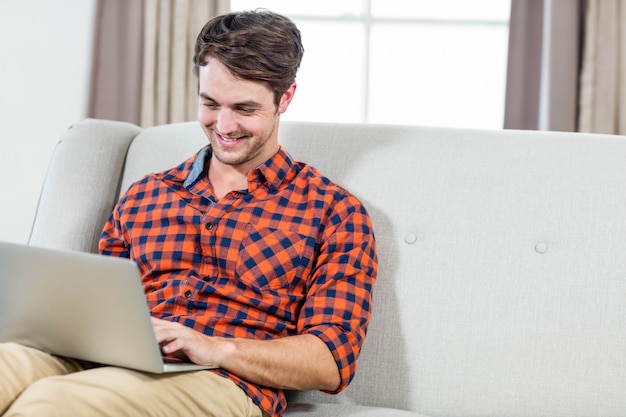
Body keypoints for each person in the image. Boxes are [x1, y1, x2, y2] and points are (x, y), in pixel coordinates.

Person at [0, 9, 377, 417]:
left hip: (220, 380)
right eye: (210, 103)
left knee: (55, 402)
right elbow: (94, 307)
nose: (224, 125)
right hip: (117, 358)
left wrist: (215, 347)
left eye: (244, 108)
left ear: (285, 98)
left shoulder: (333, 212)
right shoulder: (147, 195)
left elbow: (331, 360)